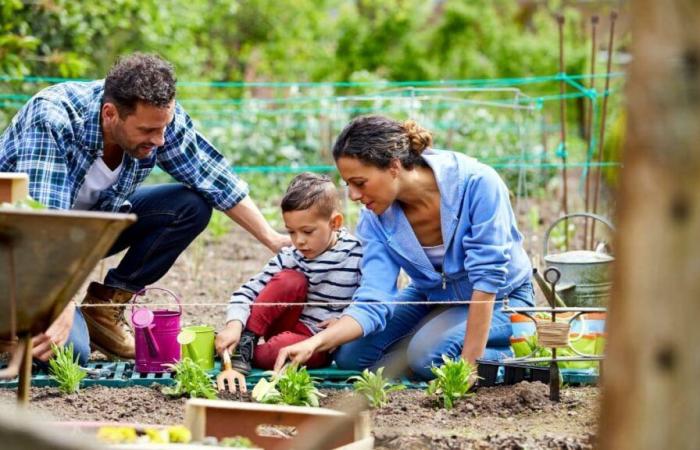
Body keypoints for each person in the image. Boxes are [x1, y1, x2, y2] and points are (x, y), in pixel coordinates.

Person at [0, 53, 289, 364]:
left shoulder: (158, 118)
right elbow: (43, 225)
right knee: (71, 353)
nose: (161, 139)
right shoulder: (53, 118)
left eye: (163, 128)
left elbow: (215, 179)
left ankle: (103, 312)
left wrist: (273, 239)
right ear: (110, 114)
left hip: (85, 233)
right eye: (148, 131)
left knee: (190, 205)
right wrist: (62, 303)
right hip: (16, 246)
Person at [274, 115, 534, 381]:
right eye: (347, 184)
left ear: (394, 166)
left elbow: (487, 280)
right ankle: (428, 338)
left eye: (359, 183)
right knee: (350, 356)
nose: (352, 195)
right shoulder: (375, 217)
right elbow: (375, 295)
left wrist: (469, 368)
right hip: (430, 296)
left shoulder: (477, 184)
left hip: (503, 299)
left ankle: (524, 348)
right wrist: (318, 341)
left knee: (429, 358)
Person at [215, 172, 362, 391]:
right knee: (289, 280)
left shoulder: (357, 254)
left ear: (335, 222)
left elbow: (371, 299)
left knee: (277, 352)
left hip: (317, 342)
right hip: (286, 323)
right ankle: (245, 342)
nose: (299, 241)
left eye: (307, 231)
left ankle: (236, 351)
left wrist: (345, 319)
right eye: (291, 232)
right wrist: (234, 325)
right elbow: (247, 292)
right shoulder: (292, 255)